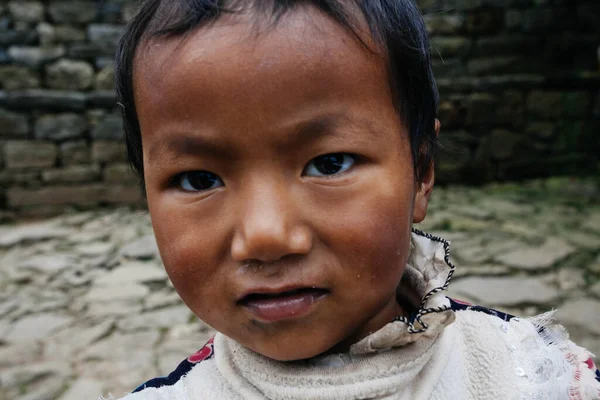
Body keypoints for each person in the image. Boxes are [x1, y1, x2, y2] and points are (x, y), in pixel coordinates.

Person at [111, 0, 600, 398]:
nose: (265, 236)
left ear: (421, 174)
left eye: (329, 164)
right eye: (199, 179)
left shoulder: (533, 375)